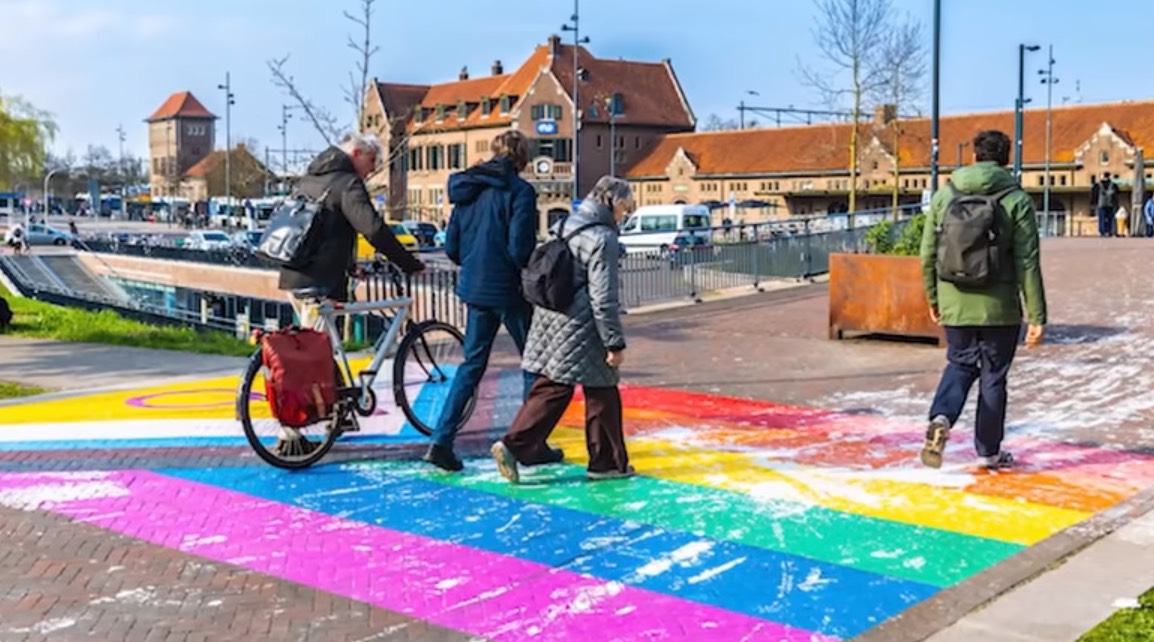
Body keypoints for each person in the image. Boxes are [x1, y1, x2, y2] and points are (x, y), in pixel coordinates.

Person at [490, 176, 635, 484]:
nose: (624, 215)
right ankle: (605, 463)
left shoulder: (565, 224)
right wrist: (614, 342)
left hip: (551, 314)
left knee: (554, 385)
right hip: (583, 324)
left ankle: (515, 444)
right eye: (625, 208)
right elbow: (603, 296)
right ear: (613, 203)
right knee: (602, 390)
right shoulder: (603, 237)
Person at [918, 130, 1047, 471]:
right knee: (993, 376)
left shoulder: (945, 195)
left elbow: (927, 253)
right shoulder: (1016, 200)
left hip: (955, 299)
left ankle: (942, 417)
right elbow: (1027, 262)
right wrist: (1037, 316)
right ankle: (989, 452)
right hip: (999, 307)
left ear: (974, 157)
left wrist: (933, 297)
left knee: (960, 363)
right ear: (1006, 160)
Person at [424, 130, 539, 472]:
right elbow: (519, 248)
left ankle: (441, 441)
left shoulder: (467, 189)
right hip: (508, 289)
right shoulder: (520, 191)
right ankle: (528, 441)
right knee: (534, 362)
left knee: (471, 365)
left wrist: (475, 262)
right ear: (521, 158)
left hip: (475, 288)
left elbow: (452, 247)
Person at [278, 132, 424, 328]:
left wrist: (349, 266)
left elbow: (323, 228)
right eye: (372, 160)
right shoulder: (348, 183)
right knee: (318, 344)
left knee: (311, 341)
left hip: (294, 274)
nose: (373, 169)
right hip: (321, 282)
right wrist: (409, 264)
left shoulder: (311, 178)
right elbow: (373, 229)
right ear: (356, 153)